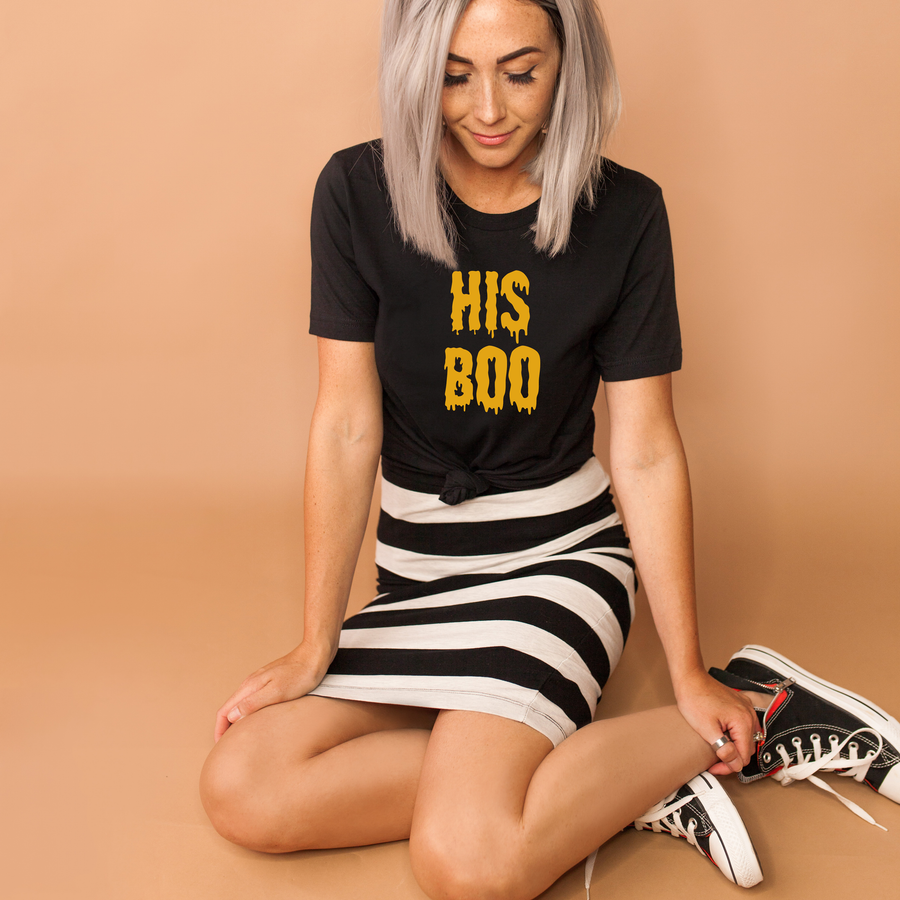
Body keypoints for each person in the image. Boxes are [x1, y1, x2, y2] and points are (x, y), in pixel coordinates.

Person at [199, 1, 900, 897]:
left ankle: (763, 707)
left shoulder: (627, 213)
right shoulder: (356, 193)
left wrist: (685, 670)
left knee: (467, 862)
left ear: (569, 61)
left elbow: (644, 450)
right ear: (415, 72)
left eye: (521, 72)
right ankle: (603, 786)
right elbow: (344, 425)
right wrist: (313, 641)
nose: (488, 109)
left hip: (557, 562)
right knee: (245, 789)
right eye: (454, 76)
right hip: (418, 574)